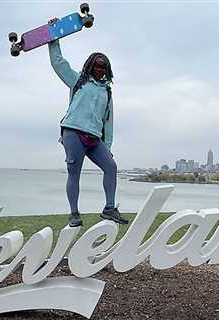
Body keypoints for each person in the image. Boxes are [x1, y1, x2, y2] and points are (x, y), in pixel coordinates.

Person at [48, 21, 128, 228]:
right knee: (74, 173)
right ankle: (74, 213)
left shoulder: (107, 92)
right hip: (73, 132)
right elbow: (59, 63)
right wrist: (53, 38)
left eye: (104, 66)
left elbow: (108, 122)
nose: (100, 69)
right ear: (90, 66)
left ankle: (109, 209)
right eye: (97, 65)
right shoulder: (78, 81)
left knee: (111, 167)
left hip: (94, 138)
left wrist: (107, 147)